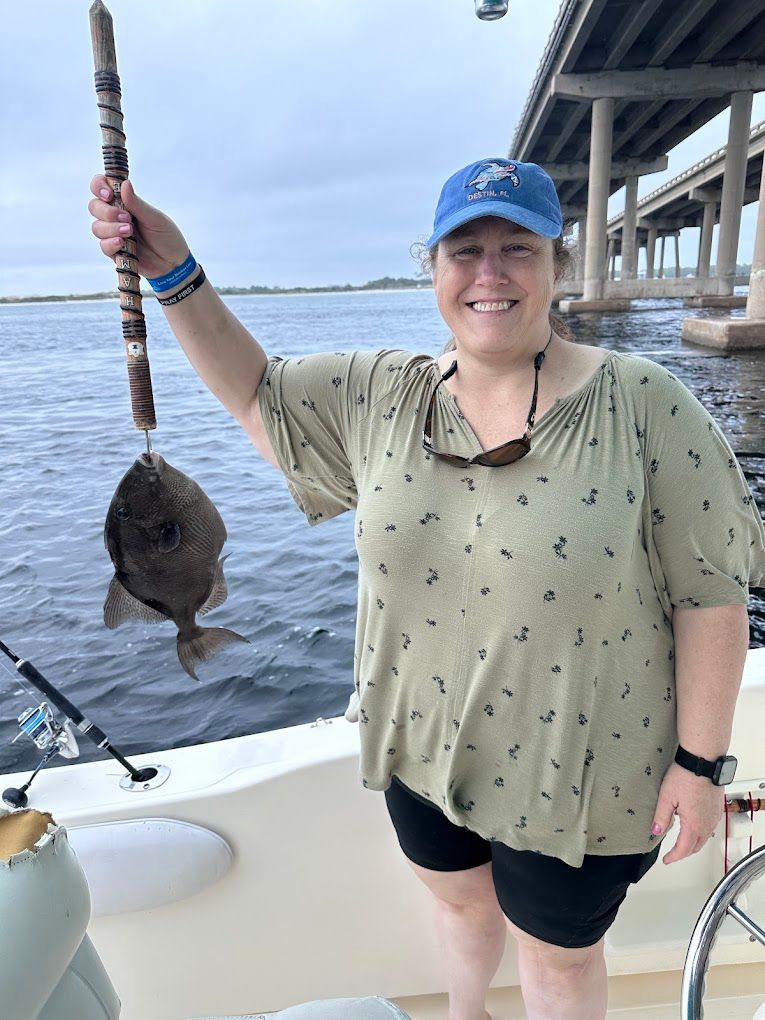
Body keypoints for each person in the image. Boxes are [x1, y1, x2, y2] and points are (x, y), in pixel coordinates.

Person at [89, 158, 765, 1020]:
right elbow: (259, 398)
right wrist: (173, 272)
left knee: (558, 964)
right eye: (464, 250)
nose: (490, 273)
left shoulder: (647, 405)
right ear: (433, 268)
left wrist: (700, 765)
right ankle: (465, 1012)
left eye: (516, 248)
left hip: (584, 768)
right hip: (422, 744)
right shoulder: (380, 393)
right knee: (458, 904)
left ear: (557, 265)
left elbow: (709, 598)